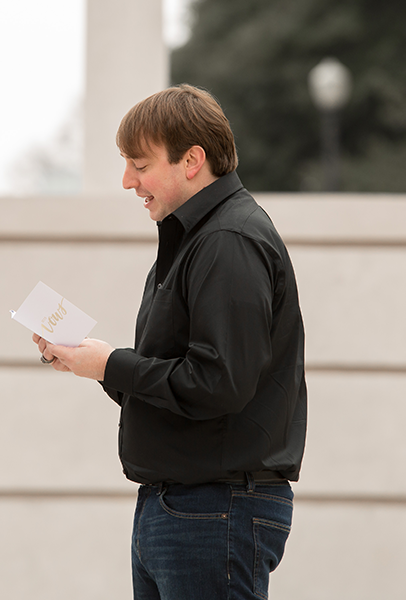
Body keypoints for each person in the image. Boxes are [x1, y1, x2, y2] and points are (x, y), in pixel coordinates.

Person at [33, 84, 307, 600]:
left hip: (213, 509)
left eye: (139, 164)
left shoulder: (228, 240)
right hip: (190, 507)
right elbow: (186, 385)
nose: (126, 181)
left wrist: (113, 364)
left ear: (192, 160)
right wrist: (94, 363)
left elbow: (217, 383)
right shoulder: (201, 239)